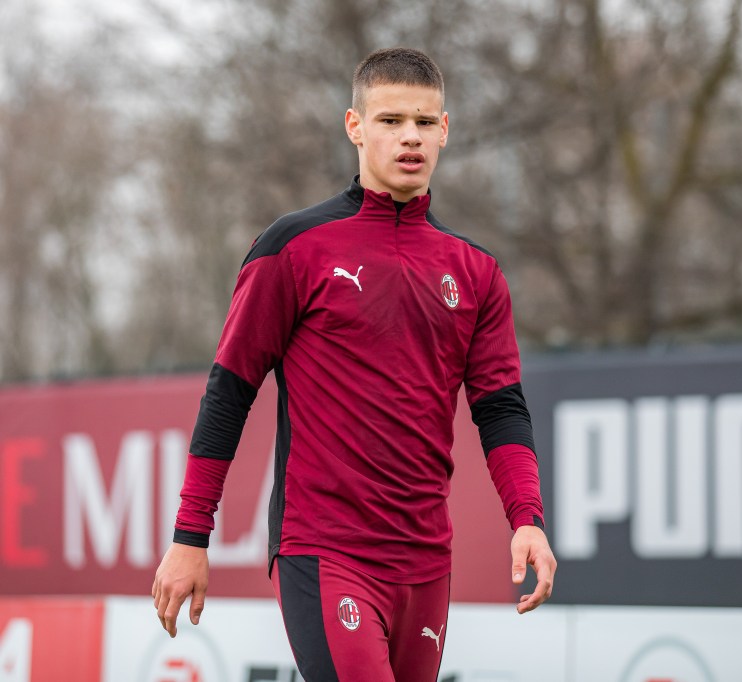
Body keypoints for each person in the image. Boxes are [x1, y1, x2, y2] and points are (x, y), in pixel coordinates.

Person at [152, 47, 556, 682]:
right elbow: (228, 394)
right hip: (324, 548)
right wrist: (189, 537)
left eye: (424, 122)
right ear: (355, 126)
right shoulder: (292, 248)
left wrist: (527, 518)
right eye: (390, 120)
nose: (409, 137)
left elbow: (501, 409)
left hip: (427, 561)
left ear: (445, 129)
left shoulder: (476, 272)